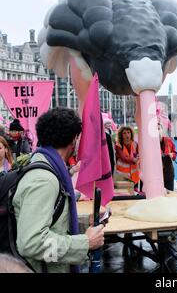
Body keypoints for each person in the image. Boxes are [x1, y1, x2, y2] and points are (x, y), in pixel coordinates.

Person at [12, 107, 105, 273]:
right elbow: (31, 243)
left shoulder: (48, 166)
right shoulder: (44, 180)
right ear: (73, 140)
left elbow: (53, 221)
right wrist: (85, 242)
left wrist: (84, 223)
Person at [158, 123, 177, 191]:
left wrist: (172, 155)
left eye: (159, 129)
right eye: (155, 129)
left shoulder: (168, 140)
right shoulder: (151, 143)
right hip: (157, 175)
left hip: (169, 173)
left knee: (170, 195)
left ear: (162, 130)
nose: (157, 131)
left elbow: (175, 154)